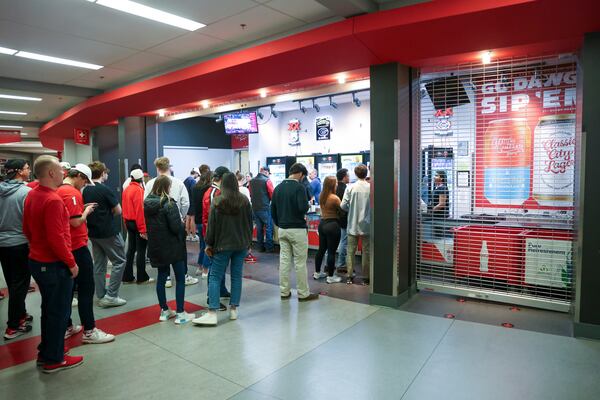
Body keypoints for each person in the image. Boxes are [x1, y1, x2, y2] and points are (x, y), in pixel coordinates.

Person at [23, 155, 83, 373]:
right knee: (58, 312)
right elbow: (57, 238)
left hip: (37, 261)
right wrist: (71, 263)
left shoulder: (32, 195)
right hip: (54, 264)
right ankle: (54, 359)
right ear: (50, 173)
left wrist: (36, 247)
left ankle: (47, 352)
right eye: (60, 170)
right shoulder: (53, 200)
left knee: (48, 310)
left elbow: (27, 229)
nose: (63, 173)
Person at [57, 164, 115, 344]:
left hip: (67, 246)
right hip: (77, 247)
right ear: (79, 176)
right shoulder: (72, 193)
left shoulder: (59, 191)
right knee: (85, 289)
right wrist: (86, 211)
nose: (83, 185)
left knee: (67, 291)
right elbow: (75, 222)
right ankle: (89, 330)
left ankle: (67, 326)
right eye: (84, 182)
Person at [193, 172, 253, 326]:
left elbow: (212, 227)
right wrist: (248, 243)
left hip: (222, 245)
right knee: (236, 276)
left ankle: (212, 312)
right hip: (241, 245)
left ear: (223, 184)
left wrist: (208, 244)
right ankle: (234, 310)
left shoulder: (218, 201)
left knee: (214, 277)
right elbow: (249, 223)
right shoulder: (244, 200)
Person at [145, 176, 196, 324]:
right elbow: (175, 228)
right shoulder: (169, 204)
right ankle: (180, 313)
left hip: (157, 246)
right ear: (167, 187)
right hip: (173, 247)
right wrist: (181, 226)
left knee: (161, 277)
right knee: (180, 278)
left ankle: (164, 310)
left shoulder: (147, 203)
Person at [145, 157, 196, 287]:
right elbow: (185, 202)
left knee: (162, 250)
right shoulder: (178, 183)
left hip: (157, 224)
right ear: (169, 167)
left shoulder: (150, 183)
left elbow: (145, 203)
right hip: (176, 222)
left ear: (157, 168)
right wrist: (182, 216)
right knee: (180, 249)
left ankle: (166, 277)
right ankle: (183, 275)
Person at [271, 163, 319, 302]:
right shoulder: (299, 187)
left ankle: (284, 292)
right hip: (297, 229)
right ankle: (303, 294)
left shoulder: (278, 187)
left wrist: (280, 224)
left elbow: (272, 209)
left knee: (284, 261)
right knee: (300, 262)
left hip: (282, 229)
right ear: (300, 174)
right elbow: (302, 208)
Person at [83, 161, 127, 307]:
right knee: (119, 261)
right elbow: (118, 211)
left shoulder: (85, 190)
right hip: (108, 232)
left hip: (93, 232)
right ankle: (111, 296)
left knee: (99, 264)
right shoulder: (105, 190)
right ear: (102, 173)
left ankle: (101, 295)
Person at [0, 159, 33, 340]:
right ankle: (13, 326)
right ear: (20, 171)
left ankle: (20, 314)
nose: (29, 171)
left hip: (2, 244)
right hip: (20, 243)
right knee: (20, 284)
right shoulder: (26, 192)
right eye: (27, 168)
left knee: (13, 282)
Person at [202, 166, 231, 310]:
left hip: (213, 234)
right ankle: (211, 297)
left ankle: (222, 290)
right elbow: (215, 218)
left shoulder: (211, 191)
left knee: (220, 265)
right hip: (216, 236)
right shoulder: (216, 192)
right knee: (215, 268)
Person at [341, 164, 371, 285]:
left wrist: (351, 209)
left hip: (352, 223)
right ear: (366, 173)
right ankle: (366, 277)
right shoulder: (371, 187)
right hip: (367, 224)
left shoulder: (350, 188)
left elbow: (343, 205)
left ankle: (349, 276)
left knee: (350, 251)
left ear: (355, 173)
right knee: (366, 251)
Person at [122, 169, 152, 284]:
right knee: (141, 250)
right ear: (141, 178)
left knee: (130, 250)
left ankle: (127, 276)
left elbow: (124, 207)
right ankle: (142, 277)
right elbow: (140, 211)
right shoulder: (139, 191)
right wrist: (143, 229)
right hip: (137, 223)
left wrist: (125, 223)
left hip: (129, 222)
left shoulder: (127, 189)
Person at [313, 176, 343, 284]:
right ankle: (330, 276)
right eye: (335, 183)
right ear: (332, 185)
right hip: (333, 225)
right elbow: (343, 210)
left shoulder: (322, 196)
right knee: (331, 252)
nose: (337, 185)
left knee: (321, 250)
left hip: (322, 224)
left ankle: (317, 273)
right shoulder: (334, 198)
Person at [188, 170, 213, 277]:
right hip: (205, 220)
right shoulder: (208, 189)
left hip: (198, 220)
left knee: (202, 245)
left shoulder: (195, 188)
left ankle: (200, 266)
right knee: (208, 245)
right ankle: (205, 270)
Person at [249, 166, 274, 253]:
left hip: (255, 208)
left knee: (259, 229)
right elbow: (272, 194)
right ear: (266, 172)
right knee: (268, 228)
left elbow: (250, 194)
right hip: (265, 208)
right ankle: (269, 248)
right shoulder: (267, 181)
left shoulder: (251, 181)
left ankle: (260, 247)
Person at [237, 172, 256, 263]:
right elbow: (248, 203)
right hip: (245, 215)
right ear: (243, 179)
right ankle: (247, 253)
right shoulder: (245, 189)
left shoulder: (232, 189)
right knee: (247, 234)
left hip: (236, 216)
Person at [335, 168, 350, 271]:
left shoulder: (334, 188)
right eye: (348, 176)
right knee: (343, 242)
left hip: (334, 219)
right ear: (344, 177)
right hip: (344, 219)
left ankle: (328, 265)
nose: (349, 177)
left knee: (333, 242)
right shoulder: (346, 189)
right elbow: (345, 205)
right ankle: (341, 264)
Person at [430, 170, 449, 237]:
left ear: (441, 178)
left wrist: (431, 211)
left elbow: (442, 204)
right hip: (436, 215)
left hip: (440, 216)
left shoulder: (442, 188)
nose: (434, 177)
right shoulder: (437, 188)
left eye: (436, 175)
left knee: (439, 236)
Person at [184, 168, 200, 242]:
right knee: (192, 219)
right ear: (196, 173)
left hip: (187, 201)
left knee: (187, 218)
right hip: (192, 202)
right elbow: (193, 192)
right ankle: (193, 235)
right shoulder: (192, 181)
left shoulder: (186, 180)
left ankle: (188, 235)